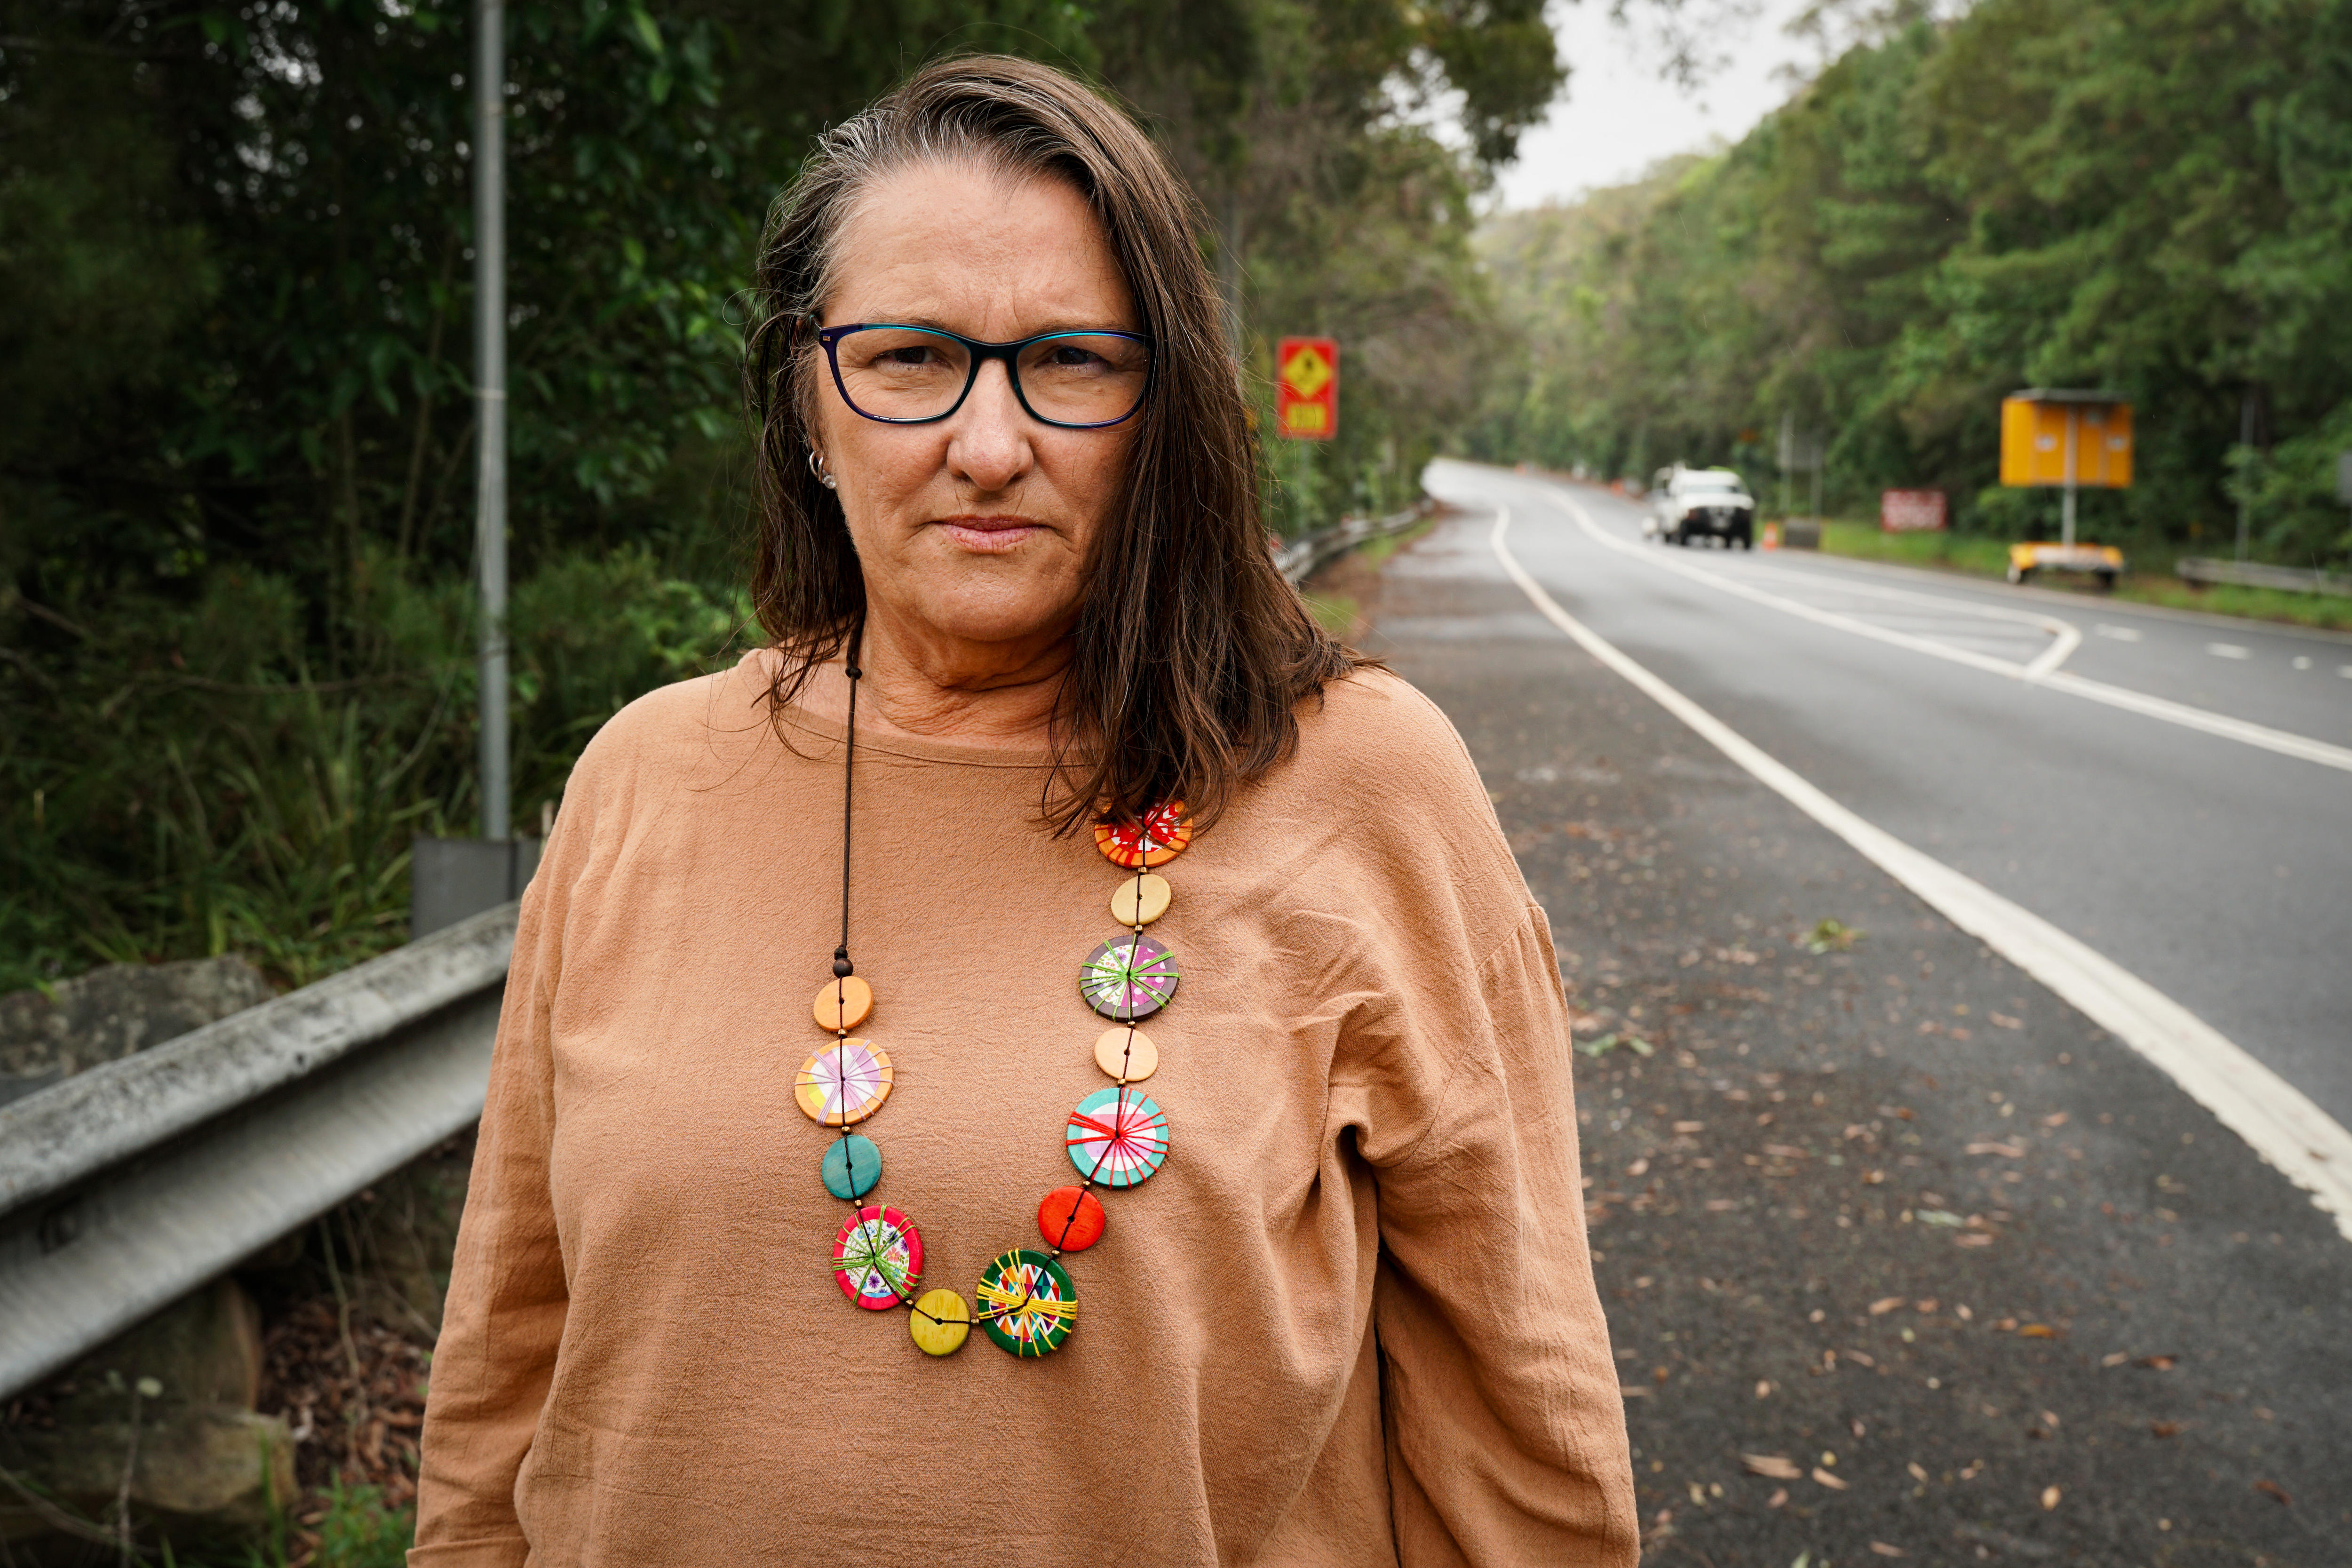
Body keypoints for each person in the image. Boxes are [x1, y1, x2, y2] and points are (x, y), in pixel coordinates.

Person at [411, 54, 1634, 1567]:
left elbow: (1524, 1437)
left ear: (1163, 406)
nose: (989, 445)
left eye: (1069, 361)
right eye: (912, 357)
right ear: (809, 401)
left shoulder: (1364, 784)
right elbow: (500, 1385)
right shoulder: (645, 780)